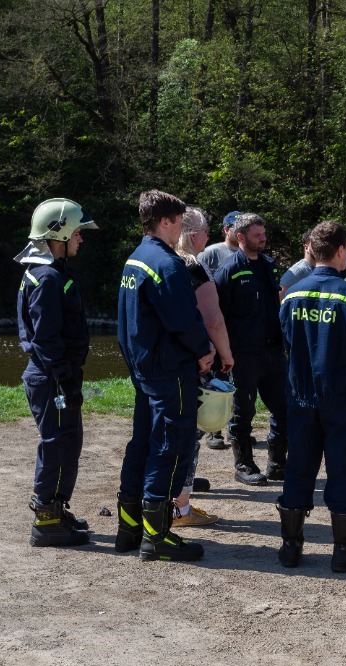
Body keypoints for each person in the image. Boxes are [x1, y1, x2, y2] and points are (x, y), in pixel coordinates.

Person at [276, 220, 346, 572]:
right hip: (343, 397)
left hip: (301, 396)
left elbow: (287, 343)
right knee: (345, 470)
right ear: (340, 251)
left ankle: (291, 547)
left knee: (298, 468)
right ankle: (344, 551)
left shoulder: (291, 294)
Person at [116, 190, 214, 562]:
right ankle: (157, 537)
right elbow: (183, 320)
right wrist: (203, 350)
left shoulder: (134, 260)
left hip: (143, 368)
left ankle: (129, 529)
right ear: (167, 221)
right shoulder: (167, 264)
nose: (180, 232)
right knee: (170, 446)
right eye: (178, 223)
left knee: (141, 442)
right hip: (169, 368)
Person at [16, 198, 98, 547]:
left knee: (69, 442)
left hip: (56, 374)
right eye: (77, 232)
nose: (81, 238)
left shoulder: (53, 271)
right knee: (57, 444)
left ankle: (56, 508)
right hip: (51, 376)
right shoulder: (47, 277)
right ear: (58, 233)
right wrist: (65, 377)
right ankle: (46, 520)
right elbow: (45, 338)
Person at [170, 207, 236, 528]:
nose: (209, 236)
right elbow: (213, 319)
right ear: (193, 234)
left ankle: (167, 495)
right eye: (206, 230)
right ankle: (181, 506)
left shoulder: (162, 263)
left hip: (166, 362)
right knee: (191, 434)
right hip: (198, 361)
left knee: (168, 431)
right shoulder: (193, 267)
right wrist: (226, 355)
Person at [213, 213, 290, 485]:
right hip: (243, 354)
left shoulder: (269, 265)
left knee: (284, 407)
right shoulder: (229, 270)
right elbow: (217, 314)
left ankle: (278, 464)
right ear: (240, 237)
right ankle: (243, 465)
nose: (263, 239)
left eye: (264, 234)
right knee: (243, 412)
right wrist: (223, 353)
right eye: (257, 235)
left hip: (272, 352)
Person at [197, 210, 242, 450]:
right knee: (214, 378)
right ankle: (214, 432)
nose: (239, 230)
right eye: (235, 226)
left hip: (232, 327)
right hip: (214, 323)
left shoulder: (247, 254)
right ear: (226, 229)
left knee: (231, 380)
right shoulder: (212, 252)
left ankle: (233, 427)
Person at [278, 228, 315, 300]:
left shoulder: (321, 269)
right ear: (306, 247)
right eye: (314, 245)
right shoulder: (297, 271)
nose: (318, 247)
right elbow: (280, 298)